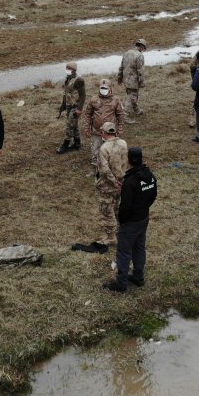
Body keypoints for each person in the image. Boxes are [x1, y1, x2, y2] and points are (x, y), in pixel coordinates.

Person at [106, 147, 157, 292]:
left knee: (123, 252)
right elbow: (153, 195)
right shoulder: (150, 176)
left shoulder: (130, 181)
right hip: (143, 218)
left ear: (129, 160)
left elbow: (125, 206)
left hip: (130, 223)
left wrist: (122, 220)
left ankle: (121, 284)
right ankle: (138, 277)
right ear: (141, 158)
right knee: (139, 248)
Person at [95, 123, 128, 246]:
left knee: (106, 211)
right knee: (117, 207)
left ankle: (111, 237)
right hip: (122, 182)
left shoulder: (104, 149)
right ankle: (120, 230)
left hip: (108, 186)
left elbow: (104, 170)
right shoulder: (123, 143)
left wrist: (114, 183)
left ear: (104, 132)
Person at [82, 78, 127, 165]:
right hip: (96, 130)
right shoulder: (93, 100)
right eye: (102, 88)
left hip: (110, 131)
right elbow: (88, 115)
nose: (103, 90)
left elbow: (120, 115)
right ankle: (96, 165)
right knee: (96, 148)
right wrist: (87, 128)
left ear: (110, 88)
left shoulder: (116, 100)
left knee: (111, 148)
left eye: (105, 88)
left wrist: (120, 128)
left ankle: (111, 165)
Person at [56, 62, 86, 154]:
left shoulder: (79, 80)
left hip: (75, 106)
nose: (68, 70)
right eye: (67, 68)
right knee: (74, 125)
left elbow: (83, 95)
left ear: (74, 70)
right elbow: (66, 93)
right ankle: (77, 143)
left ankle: (65, 145)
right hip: (69, 105)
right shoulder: (67, 78)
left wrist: (79, 109)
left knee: (69, 125)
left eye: (70, 69)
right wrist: (63, 105)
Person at [118, 38, 147, 118]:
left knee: (132, 96)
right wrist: (142, 82)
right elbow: (140, 71)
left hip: (126, 79)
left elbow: (121, 67)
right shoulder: (139, 56)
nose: (143, 50)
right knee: (132, 97)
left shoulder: (126, 53)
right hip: (134, 81)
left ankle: (136, 109)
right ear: (142, 46)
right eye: (144, 48)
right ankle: (125, 115)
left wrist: (119, 78)